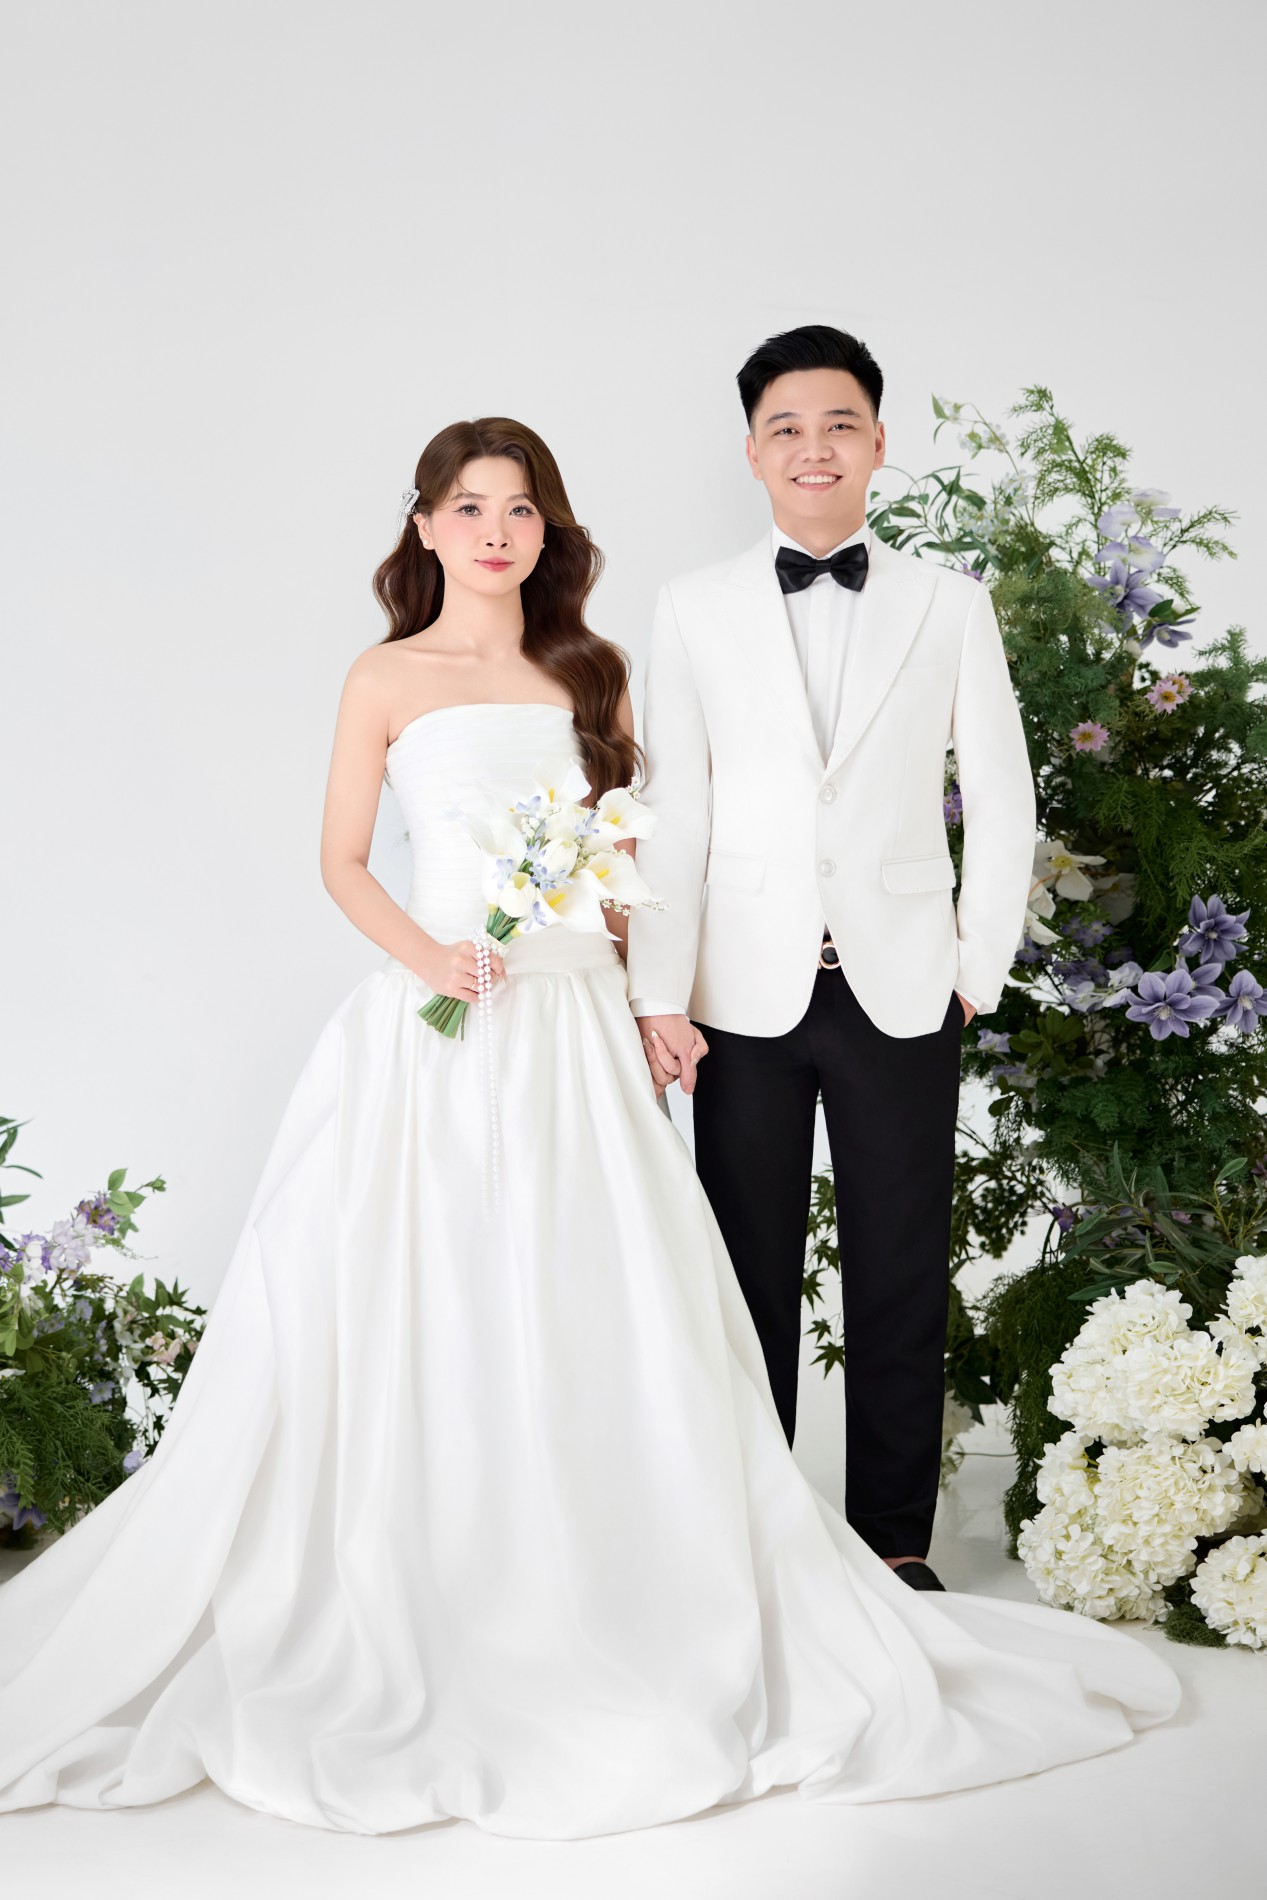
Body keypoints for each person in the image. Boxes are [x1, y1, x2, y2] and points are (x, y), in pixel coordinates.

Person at [0, 417, 1179, 1839]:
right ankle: (438, 1574)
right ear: (424, 526)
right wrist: (433, 961)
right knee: (427, 1297)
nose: (495, 531)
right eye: (468, 507)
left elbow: (630, 863)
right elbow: (340, 858)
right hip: (439, 1031)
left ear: (548, 531)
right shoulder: (383, 675)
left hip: (573, 1027)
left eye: (521, 509)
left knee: (591, 1296)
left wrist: (647, 1001)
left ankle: (638, 1577)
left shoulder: (592, 670)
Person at [629, 325, 1035, 1591]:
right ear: (753, 451)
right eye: (788, 428)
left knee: (901, 1263)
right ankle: (756, 1535)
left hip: (902, 982)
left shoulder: (949, 603)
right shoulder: (691, 607)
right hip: (736, 990)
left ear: (877, 443)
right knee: (743, 1267)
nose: (815, 447)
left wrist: (975, 966)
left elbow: (1004, 796)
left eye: (839, 423)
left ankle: (894, 1540)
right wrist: (657, 990)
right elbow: (673, 805)